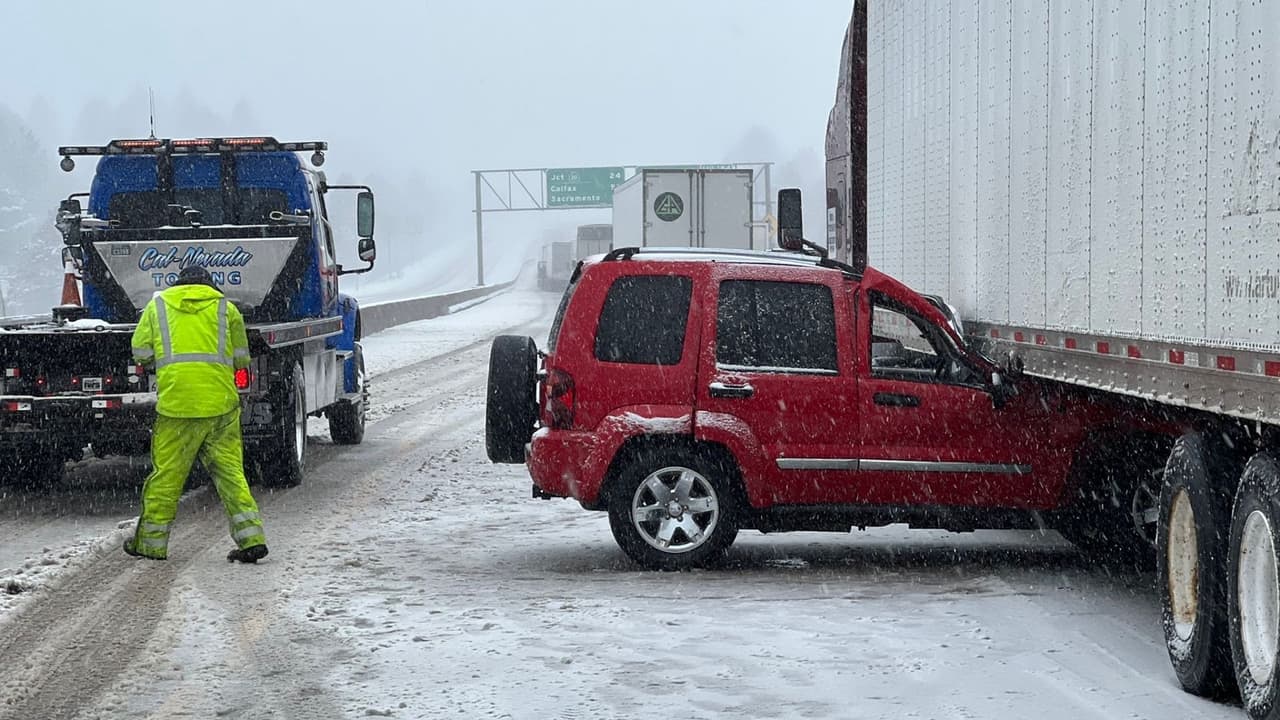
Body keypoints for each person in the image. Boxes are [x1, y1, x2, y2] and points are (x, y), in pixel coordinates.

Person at [124, 265, 269, 564]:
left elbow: (140, 351)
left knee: (167, 476)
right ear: (209, 285)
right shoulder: (226, 309)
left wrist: (163, 364)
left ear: (179, 284)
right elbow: (242, 360)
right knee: (231, 474)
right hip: (221, 406)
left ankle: (151, 544)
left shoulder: (157, 307)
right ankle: (252, 539)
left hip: (177, 406)